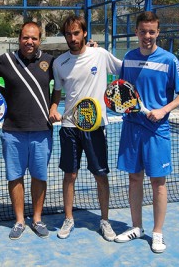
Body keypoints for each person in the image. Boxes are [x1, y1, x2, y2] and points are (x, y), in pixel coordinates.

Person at [113, 11, 179, 253]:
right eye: (143, 31)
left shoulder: (169, 60)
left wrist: (164, 110)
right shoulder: (128, 58)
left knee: (158, 182)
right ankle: (136, 227)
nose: (147, 36)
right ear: (136, 32)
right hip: (131, 128)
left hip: (157, 130)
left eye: (152, 32)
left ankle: (157, 233)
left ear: (158, 32)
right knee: (134, 178)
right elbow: (122, 90)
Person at [48, 15, 122, 241]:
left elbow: (125, 71)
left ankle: (105, 220)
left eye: (76, 33)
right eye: (68, 34)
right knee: (69, 174)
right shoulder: (59, 63)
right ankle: (69, 218)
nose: (73, 38)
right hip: (69, 126)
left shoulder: (99, 54)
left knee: (100, 175)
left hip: (95, 126)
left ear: (85, 33)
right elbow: (58, 91)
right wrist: (53, 106)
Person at [0, 22, 54, 240]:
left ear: (40, 40)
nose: (30, 42)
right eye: (26, 38)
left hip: (41, 131)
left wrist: (54, 106)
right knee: (15, 177)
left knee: (39, 177)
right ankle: (19, 220)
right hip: (13, 131)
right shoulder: (5, 60)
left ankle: (37, 219)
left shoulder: (49, 61)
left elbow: (58, 86)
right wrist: (4, 94)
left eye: (34, 38)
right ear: (19, 38)